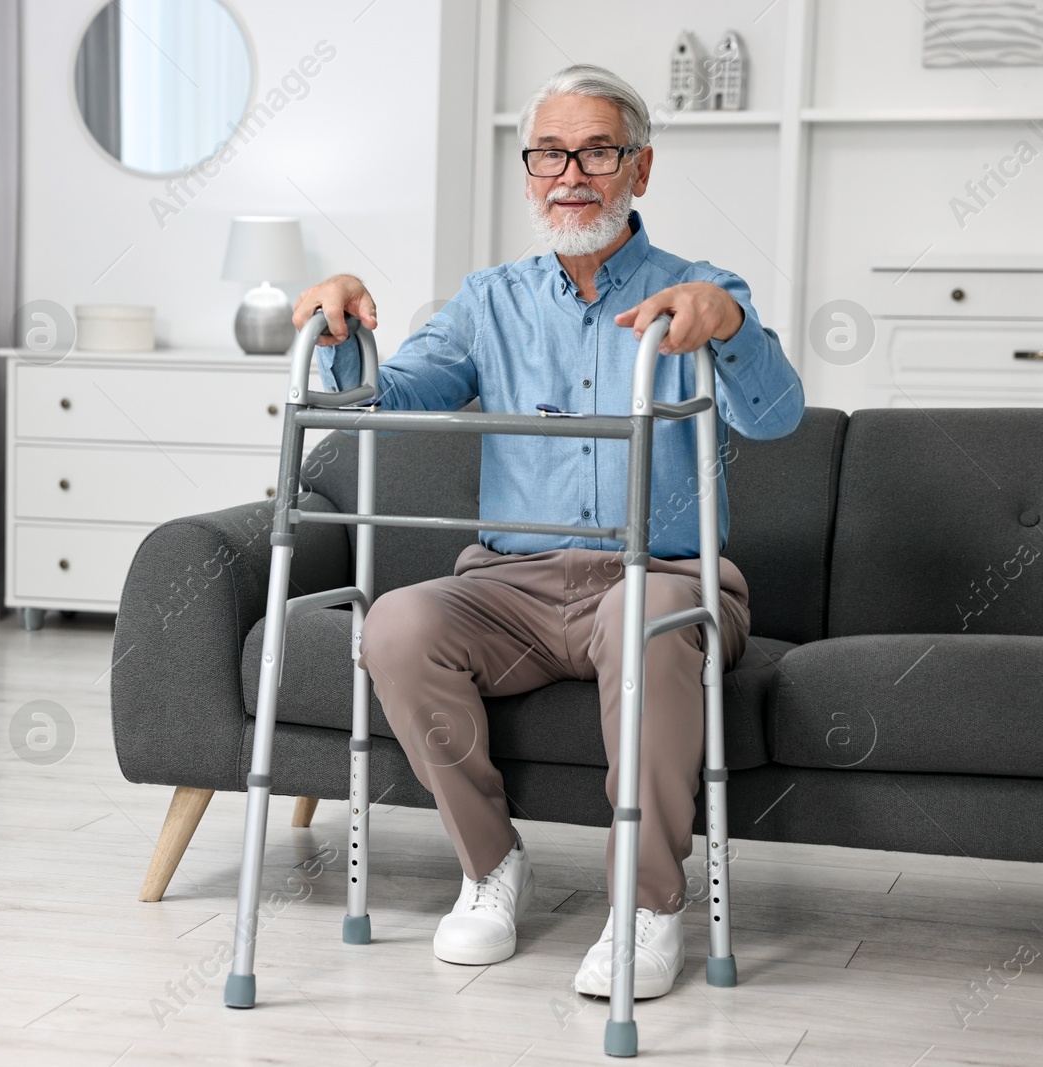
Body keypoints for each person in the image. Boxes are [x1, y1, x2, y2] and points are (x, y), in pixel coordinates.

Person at [293, 63, 802, 1000]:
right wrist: (340, 331)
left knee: (641, 612)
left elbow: (775, 416)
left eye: (598, 151)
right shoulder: (489, 299)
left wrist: (728, 324)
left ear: (639, 170)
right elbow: (390, 395)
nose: (571, 173)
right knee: (396, 624)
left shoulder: (699, 287)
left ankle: (649, 904)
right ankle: (490, 867)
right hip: (509, 587)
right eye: (549, 154)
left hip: (665, 577)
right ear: (528, 175)